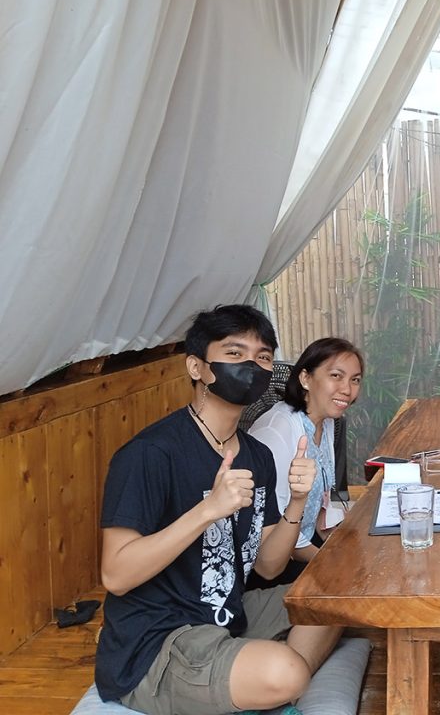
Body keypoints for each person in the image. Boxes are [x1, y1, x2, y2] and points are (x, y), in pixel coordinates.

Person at [96, 304, 344, 714]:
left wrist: (296, 503)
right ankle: (270, 683)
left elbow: (267, 566)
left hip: (228, 614)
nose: (251, 364)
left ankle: (260, 685)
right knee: (285, 672)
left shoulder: (256, 455)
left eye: (263, 356)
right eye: (234, 353)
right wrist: (207, 510)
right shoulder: (150, 454)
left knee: (334, 599)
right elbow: (116, 575)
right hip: (157, 641)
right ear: (197, 367)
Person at [248, 337, 363, 586]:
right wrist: (328, 559)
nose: (347, 389)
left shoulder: (327, 420)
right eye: (336, 376)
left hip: (308, 542)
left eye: (355, 380)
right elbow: (271, 529)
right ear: (305, 378)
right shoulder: (277, 431)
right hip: (271, 564)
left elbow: (328, 495)